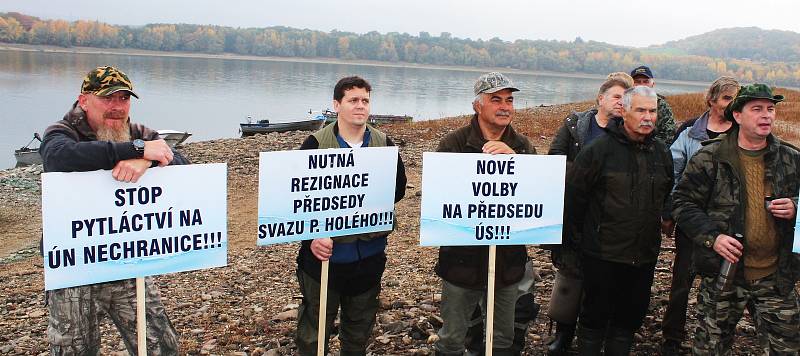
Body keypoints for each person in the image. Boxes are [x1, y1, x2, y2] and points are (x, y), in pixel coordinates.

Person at [40, 66, 183, 355]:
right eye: (108, 98)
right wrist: (136, 150)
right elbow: (59, 157)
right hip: (74, 265)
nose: (117, 107)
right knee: (75, 350)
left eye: (124, 99)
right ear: (84, 100)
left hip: (128, 259)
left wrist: (148, 162)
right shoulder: (63, 131)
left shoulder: (138, 132)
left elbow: (181, 163)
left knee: (161, 345)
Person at [672, 84, 800, 355]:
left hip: (775, 275)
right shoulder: (710, 157)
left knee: (787, 348)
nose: (766, 115)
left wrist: (796, 207)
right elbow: (682, 203)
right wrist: (713, 237)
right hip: (723, 273)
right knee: (710, 348)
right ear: (738, 116)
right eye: (757, 109)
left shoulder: (790, 158)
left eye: (771, 109)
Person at [294, 76, 407, 356]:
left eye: (365, 100)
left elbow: (398, 189)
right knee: (313, 333)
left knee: (358, 332)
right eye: (353, 100)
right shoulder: (315, 144)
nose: (360, 106)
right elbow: (294, 200)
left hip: (368, 258)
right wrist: (311, 237)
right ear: (337, 104)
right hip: (324, 259)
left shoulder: (383, 143)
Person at [432, 72, 534, 356]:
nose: (505, 106)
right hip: (461, 259)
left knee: (502, 338)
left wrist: (514, 160)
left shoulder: (523, 146)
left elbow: (536, 198)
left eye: (510, 100)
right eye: (496, 100)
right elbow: (440, 201)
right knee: (451, 338)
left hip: (508, 260)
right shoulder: (453, 144)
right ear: (478, 105)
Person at [565, 86, 673, 355]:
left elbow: (667, 193)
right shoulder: (598, 151)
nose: (648, 117)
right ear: (624, 111)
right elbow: (574, 200)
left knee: (629, 319)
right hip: (602, 254)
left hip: (643, 256)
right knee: (594, 318)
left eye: (652, 111)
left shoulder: (661, 152)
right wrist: (577, 246)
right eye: (641, 110)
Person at [544, 72, 633, 356]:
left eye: (625, 98)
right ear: (600, 99)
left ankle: (595, 333)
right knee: (570, 276)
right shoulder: (575, 124)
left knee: (604, 280)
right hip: (575, 212)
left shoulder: (627, 132)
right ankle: (563, 333)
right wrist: (585, 176)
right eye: (616, 96)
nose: (621, 103)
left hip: (609, 217)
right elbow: (555, 160)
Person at [660, 76, 739, 355]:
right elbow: (674, 172)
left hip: (729, 226)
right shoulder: (691, 131)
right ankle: (672, 335)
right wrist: (669, 212)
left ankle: (714, 335)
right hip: (692, 220)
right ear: (712, 100)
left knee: (726, 283)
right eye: (727, 98)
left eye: (735, 99)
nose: (731, 104)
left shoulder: (743, 132)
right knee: (682, 279)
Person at [630, 65, 677, 145]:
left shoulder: (661, 105)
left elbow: (668, 135)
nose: (642, 85)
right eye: (637, 82)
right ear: (631, 84)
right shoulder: (624, 103)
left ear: (652, 84)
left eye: (646, 81)